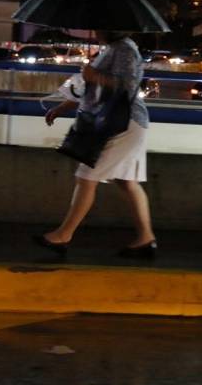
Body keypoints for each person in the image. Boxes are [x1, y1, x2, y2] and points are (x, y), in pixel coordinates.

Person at [34, 30, 157, 258]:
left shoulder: (124, 49)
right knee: (127, 182)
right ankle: (146, 238)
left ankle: (63, 236)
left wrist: (95, 75)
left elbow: (127, 86)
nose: (97, 32)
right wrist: (62, 107)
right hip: (124, 123)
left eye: (101, 27)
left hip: (123, 123)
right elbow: (91, 89)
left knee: (86, 177)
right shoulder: (114, 49)